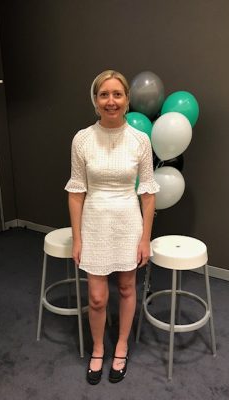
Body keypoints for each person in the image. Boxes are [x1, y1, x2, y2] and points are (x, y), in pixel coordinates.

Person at [65, 70, 159, 384]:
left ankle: (121, 346)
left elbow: (147, 194)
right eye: (104, 95)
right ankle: (97, 349)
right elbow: (76, 193)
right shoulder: (82, 138)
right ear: (95, 100)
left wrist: (146, 238)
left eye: (117, 94)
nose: (111, 101)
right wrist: (77, 238)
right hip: (94, 222)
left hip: (128, 221)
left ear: (127, 100)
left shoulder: (140, 140)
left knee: (127, 287)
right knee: (96, 297)